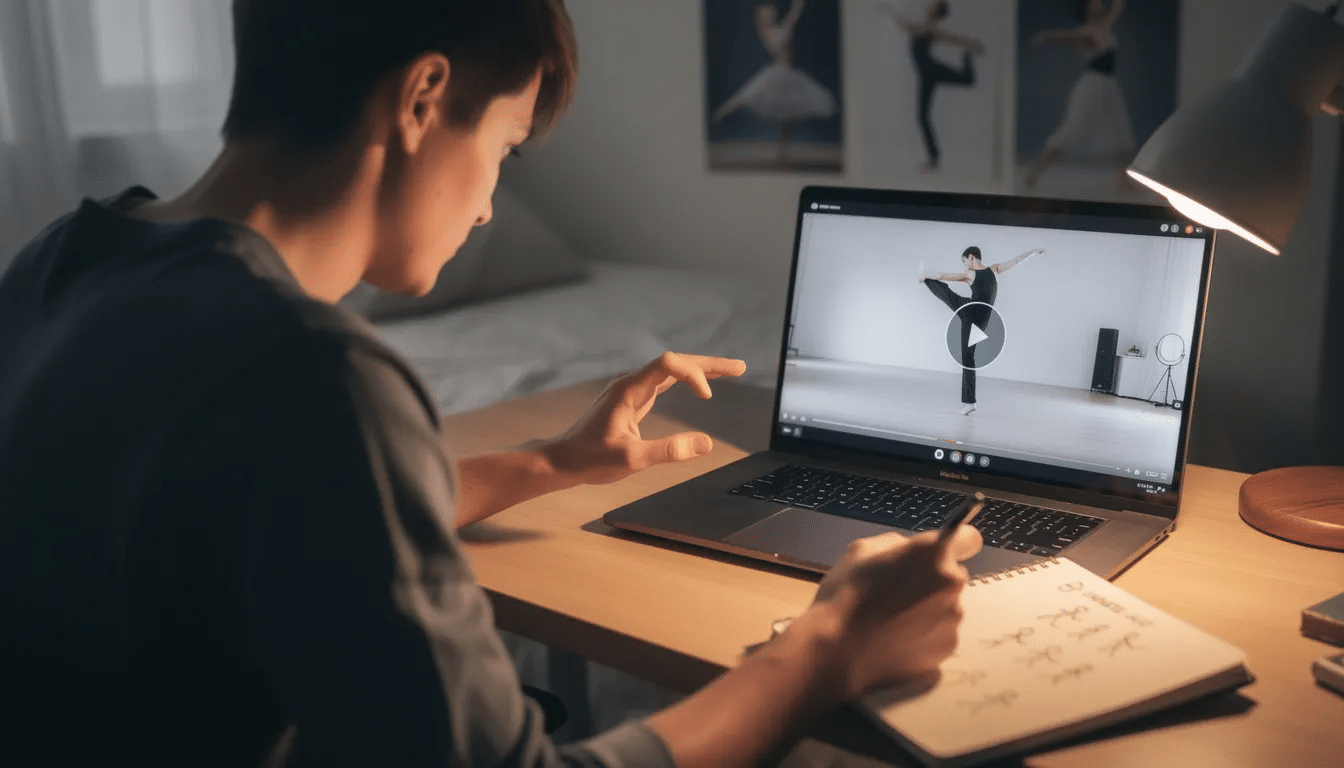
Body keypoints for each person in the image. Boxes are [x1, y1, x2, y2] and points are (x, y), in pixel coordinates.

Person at [0, 1, 981, 766]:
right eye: (505, 148)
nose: (485, 210)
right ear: (423, 97)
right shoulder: (311, 368)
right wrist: (828, 646)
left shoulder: (60, 260)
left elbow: (244, 511)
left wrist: (553, 463)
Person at [1023, 0, 1134, 189]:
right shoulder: (1087, 31)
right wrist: (1046, 36)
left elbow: (1118, 7)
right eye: (1094, 4)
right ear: (1088, 11)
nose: (1099, 5)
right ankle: (1034, 173)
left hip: (1108, 86)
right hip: (1092, 86)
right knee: (1071, 130)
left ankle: (1122, 180)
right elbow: (1066, 36)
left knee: (1119, 128)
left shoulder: (1104, 26)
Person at [710, 0, 838, 165]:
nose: (772, 14)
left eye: (771, 12)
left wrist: (797, 6)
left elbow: (791, 19)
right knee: (748, 95)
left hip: (787, 73)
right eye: (768, 14)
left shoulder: (774, 30)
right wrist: (797, 6)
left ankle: (781, 151)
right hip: (779, 72)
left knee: (786, 113)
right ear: (764, 18)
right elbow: (791, 19)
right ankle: (717, 116)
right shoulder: (771, 33)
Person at [921, 246, 1043, 414]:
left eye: (965, 262)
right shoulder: (994, 270)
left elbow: (943, 275)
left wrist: (926, 275)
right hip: (983, 319)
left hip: (971, 313)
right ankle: (970, 403)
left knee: (950, 298)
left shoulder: (971, 274)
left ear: (972, 257)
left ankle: (925, 280)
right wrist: (1033, 252)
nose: (964, 266)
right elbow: (1016, 260)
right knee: (968, 357)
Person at [878, 1, 986, 172]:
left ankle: (967, 59)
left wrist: (972, 44)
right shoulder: (923, 26)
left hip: (930, 70)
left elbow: (952, 38)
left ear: (935, 11)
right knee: (922, 117)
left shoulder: (930, 28)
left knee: (923, 115)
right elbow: (904, 24)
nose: (928, 5)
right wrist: (888, 10)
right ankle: (934, 159)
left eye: (932, 5)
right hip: (926, 74)